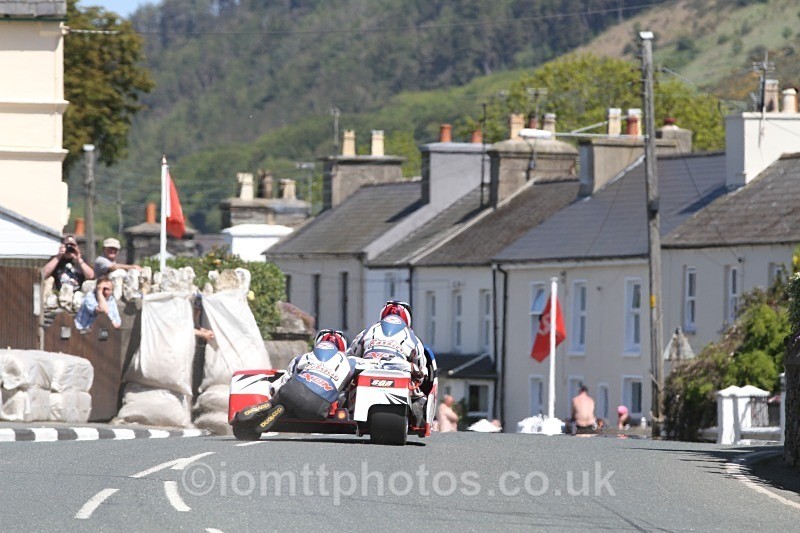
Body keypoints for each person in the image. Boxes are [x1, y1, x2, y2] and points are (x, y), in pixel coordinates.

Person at [237, 329, 357, 433]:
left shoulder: (304, 357)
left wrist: (275, 394)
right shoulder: (351, 362)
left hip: (293, 390)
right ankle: (281, 410)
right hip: (319, 407)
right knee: (309, 409)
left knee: (287, 398)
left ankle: (272, 405)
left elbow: (287, 378)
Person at [347, 300, 429, 426]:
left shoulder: (369, 331)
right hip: (399, 367)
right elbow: (421, 367)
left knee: (348, 370)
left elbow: (351, 354)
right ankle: (417, 403)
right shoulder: (413, 338)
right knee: (419, 378)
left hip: (369, 364)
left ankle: (345, 405)